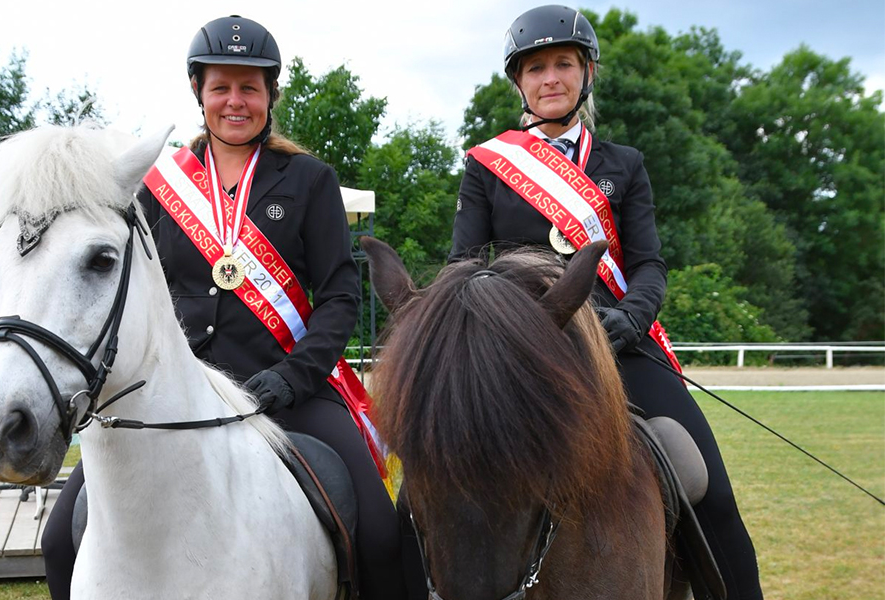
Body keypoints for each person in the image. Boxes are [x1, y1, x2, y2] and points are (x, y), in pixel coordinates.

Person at [42, 15, 409, 600]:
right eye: (221, 87)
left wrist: (292, 378)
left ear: (270, 95)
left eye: (250, 87)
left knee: (383, 536)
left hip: (290, 390)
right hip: (170, 395)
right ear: (198, 92)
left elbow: (339, 295)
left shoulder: (311, 180)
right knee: (59, 541)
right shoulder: (159, 188)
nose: (235, 101)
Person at [448, 5, 764, 600]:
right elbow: (463, 266)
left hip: (620, 346)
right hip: (524, 357)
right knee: (433, 485)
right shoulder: (487, 166)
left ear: (586, 71)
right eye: (535, 68)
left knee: (713, 492)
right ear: (519, 81)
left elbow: (648, 264)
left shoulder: (624, 164)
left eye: (563, 64)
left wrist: (628, 319)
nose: (550, 79)